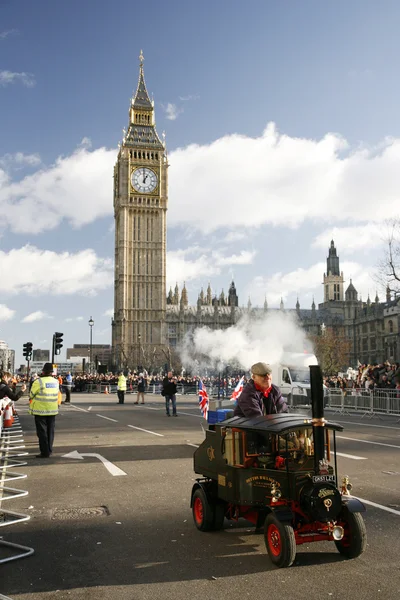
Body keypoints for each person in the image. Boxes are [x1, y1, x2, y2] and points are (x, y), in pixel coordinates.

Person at [29, 363, 59, 459]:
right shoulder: (56, 381)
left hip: (40, 410)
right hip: (52, 410)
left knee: (42, 433)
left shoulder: (38, 382)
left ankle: (44, 452)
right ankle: (49, 450)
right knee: (50, 432)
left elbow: (31, 394)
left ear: (43, 371)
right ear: (51, 372)